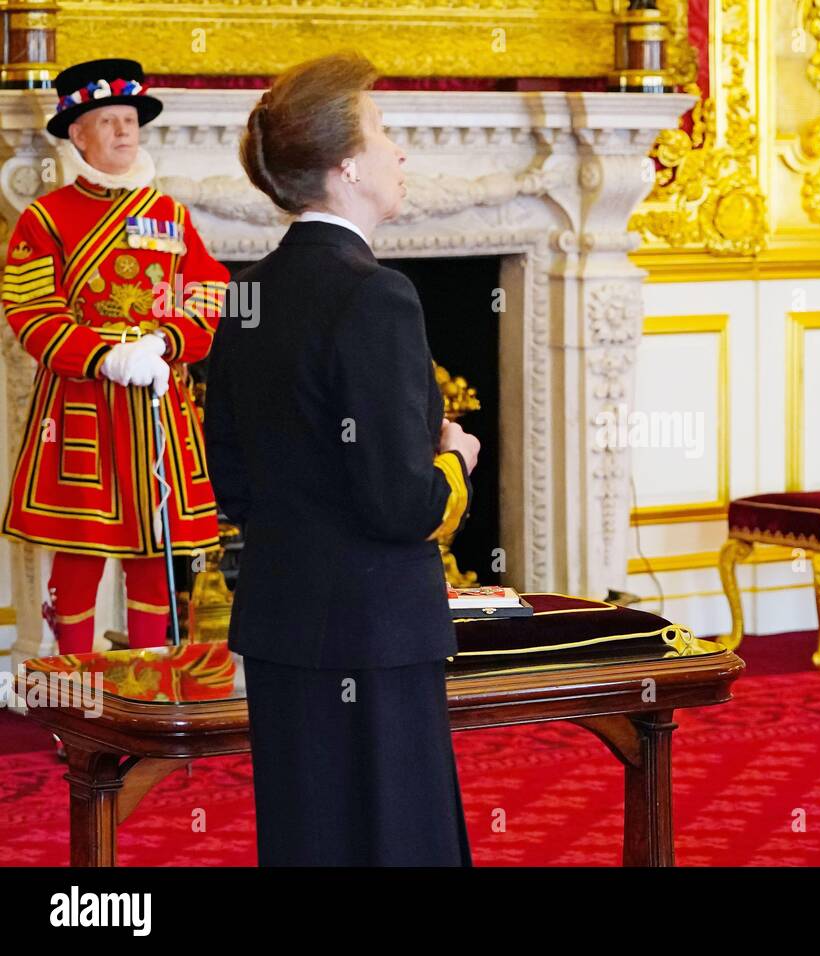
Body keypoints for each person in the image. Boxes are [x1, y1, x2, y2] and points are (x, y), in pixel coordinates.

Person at [204, 52, 481, 866]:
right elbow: (399, 505)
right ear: (347, 164)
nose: (401, 153)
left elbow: (231, 479)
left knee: (308, 838)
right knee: (396, 842)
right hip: (376, 633)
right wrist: (456, 457)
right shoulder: (376, 294)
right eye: (385, 133)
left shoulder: (246, 292)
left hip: (283, 623)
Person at [0, 58, 227, 653]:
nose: (126, 132)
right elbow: (31, 311)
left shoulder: (171, 215)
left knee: (155, 555)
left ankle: (145, 695)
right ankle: (76, 704)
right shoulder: (44, 218)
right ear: (78, 135)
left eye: (131, 120)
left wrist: (167, 340)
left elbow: (210, 291)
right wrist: (106, 357)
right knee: (80, 555)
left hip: (157, 412)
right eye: (110, 121)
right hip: (83, 407)